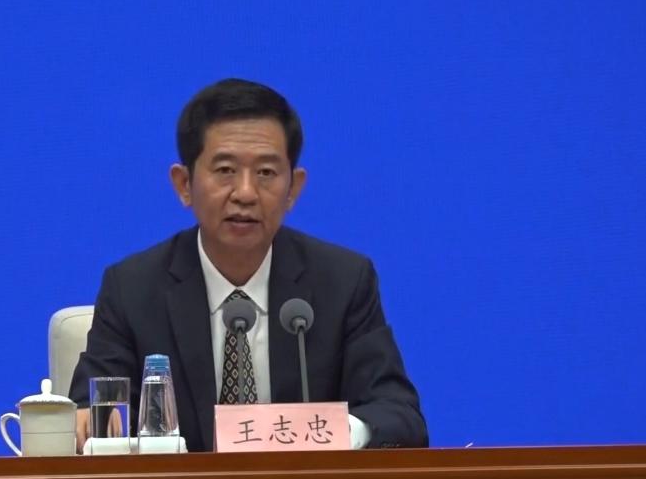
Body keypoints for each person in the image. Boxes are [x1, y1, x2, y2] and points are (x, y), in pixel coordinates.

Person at [68, 78, 428, 453]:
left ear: (293, 189)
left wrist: (335, 433)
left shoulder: (343, 282)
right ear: (184, 184)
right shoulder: (133, 288)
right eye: (225, 170)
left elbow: (399, 415)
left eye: (266, 173)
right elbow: (88, 412)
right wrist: (85, 423)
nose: (245, 193)